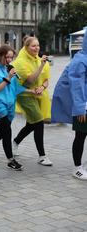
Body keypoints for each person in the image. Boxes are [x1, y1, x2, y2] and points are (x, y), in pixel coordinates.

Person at [11, 37, 52, 166]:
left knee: (32, 124)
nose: (37, 48)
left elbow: (46, 79)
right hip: (24, 94)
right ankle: (42, 156)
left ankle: (16, 142)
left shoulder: (39, 60)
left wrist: (43, 87)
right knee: (39, 121)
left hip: (37, 94)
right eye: (33, 46)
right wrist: (41, 66)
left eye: (38, 46)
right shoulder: (20, 62)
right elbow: (29, 80)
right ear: (26, 47)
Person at [52, 32, 87, 180]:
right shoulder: (81, 60)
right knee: (80, 136)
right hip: (83, 106)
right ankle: (77, 168)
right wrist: (80, 108)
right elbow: (76, 85)